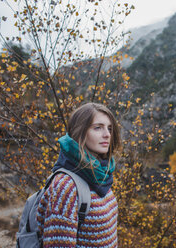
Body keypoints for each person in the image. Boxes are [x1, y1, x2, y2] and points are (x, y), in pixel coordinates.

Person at [36, 102, 121, 247]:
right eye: (98, 127)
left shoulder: (100, 174)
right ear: (80, 131)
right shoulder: (65, 186)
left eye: (110, 128)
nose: (107, 134)